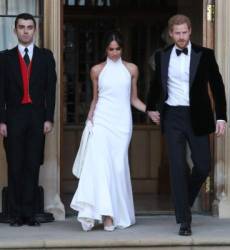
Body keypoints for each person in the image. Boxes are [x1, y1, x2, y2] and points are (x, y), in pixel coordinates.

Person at [146, 14, 227, 236]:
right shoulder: (161, 56)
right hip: (172, 116)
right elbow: (155, 84)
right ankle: (184, 220)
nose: (181, 37)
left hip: (198, 116)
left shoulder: (205, 55)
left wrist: (221, 116)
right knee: (178, 167)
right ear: (171, 34)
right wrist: (151, 107)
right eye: (177, 33)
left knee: (202, 165)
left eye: (184, 32)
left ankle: (185, 200)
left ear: (190, 31)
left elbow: (217, 86)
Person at [70, 31, 146, 232]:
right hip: (101, 121)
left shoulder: (132, 69)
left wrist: (150, 111)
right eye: (111, 49)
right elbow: (96, 98)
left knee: (118, 168)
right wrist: (90, 118)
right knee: (101, 168)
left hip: (122, 124)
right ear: (106, 49)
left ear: (122, 49)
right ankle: (107, 216)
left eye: (117, 49)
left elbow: (133, 99)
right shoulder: (96, 70)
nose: (114, 53)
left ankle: (117, 213)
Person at [0, 13, 57, 227]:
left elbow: (51, 90)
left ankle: (29, 214)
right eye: (21, 27)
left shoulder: (45, 56)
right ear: (15, 30)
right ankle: (15, 215)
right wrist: (1, 120)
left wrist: (48, 118)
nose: (25, 31)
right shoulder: (4, 58)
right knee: (15, 165)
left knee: (33, 165)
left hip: (37, 117)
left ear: (35, 30)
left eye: (29, 27)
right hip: (13, 117)